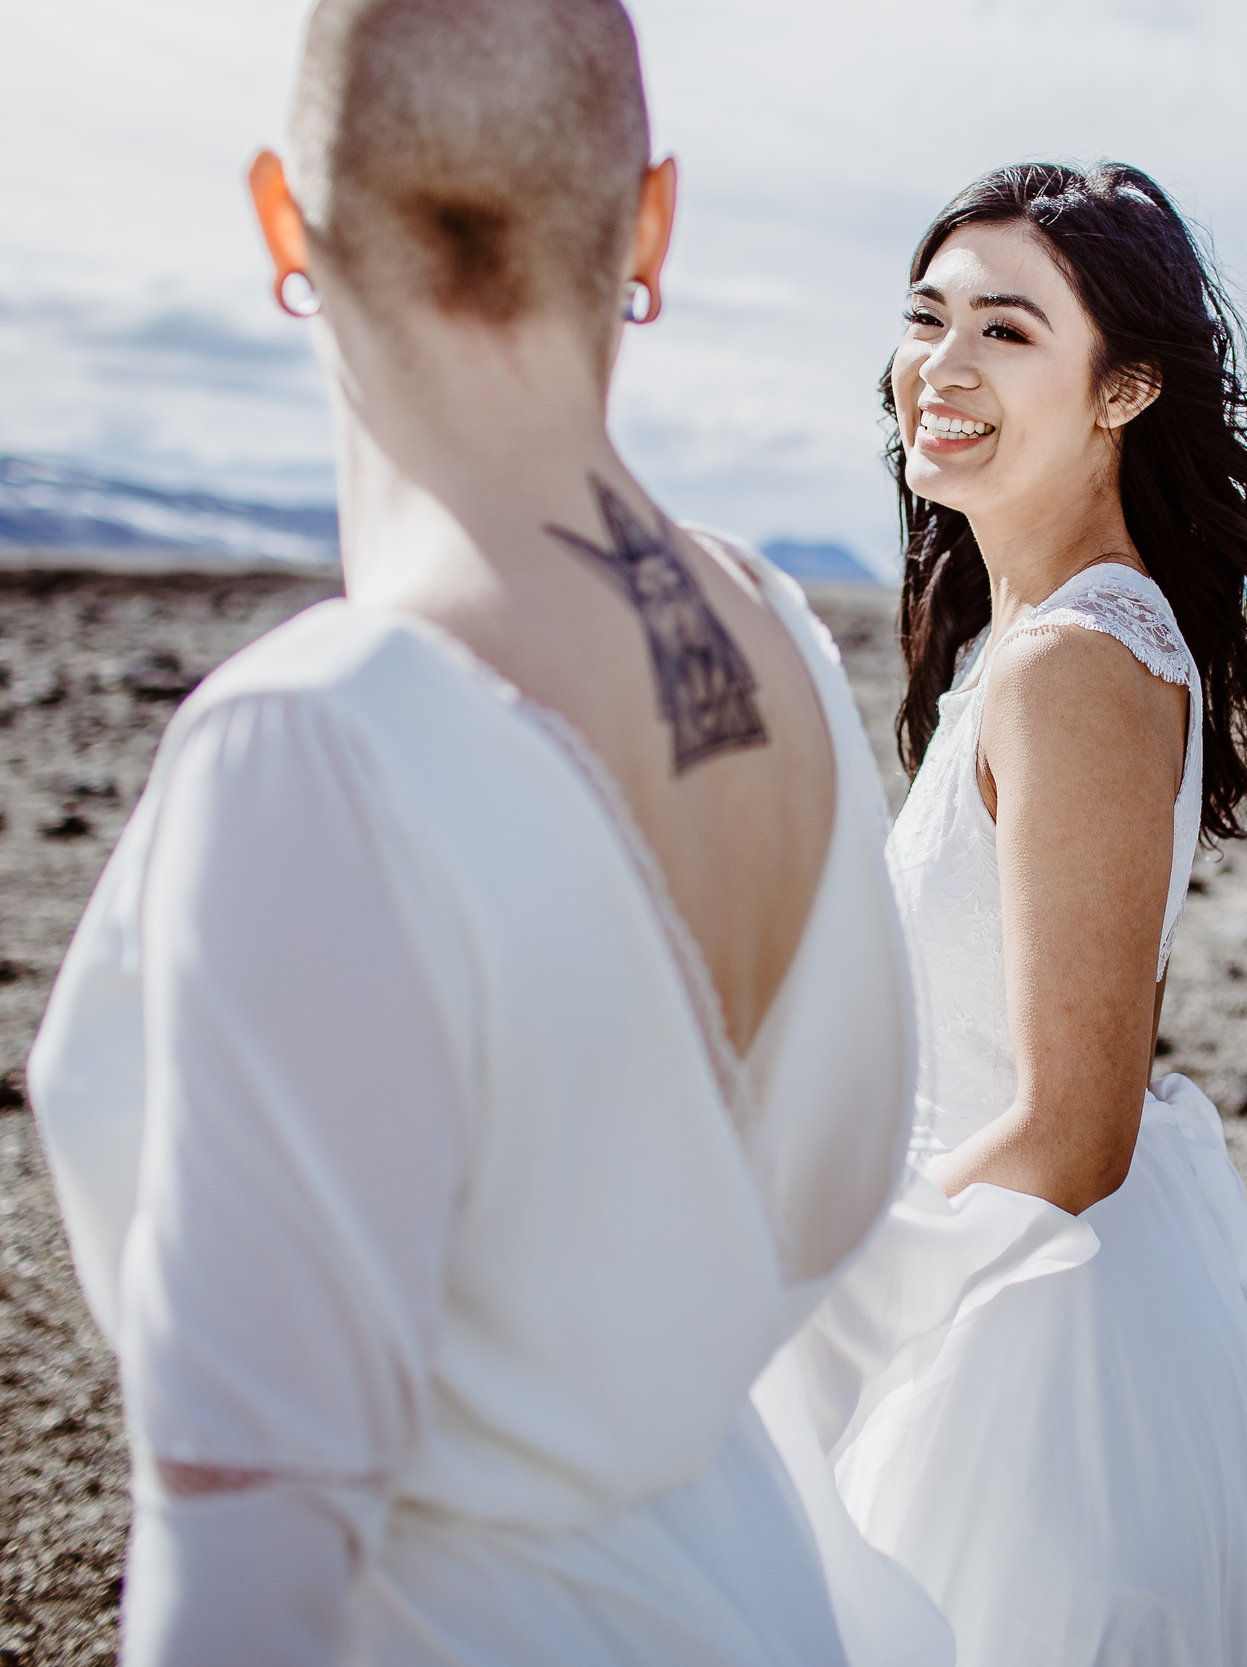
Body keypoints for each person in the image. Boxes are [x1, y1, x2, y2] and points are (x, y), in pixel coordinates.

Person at [28, 2, 924, 1661]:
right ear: (649, 224)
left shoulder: (315, 748)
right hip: (748, 1595)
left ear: (282, 221)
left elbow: (240, 1580)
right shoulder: (786, 644)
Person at [776, 162, 1247, 1667]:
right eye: (926, 317)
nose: (941, 366)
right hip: (987, 1274)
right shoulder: (1031, 635)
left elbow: (1077, 1127)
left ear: (1125, 386)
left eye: (1007, 332)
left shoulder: (1075, 658)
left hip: (1017, 1338)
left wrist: (819, 1322)